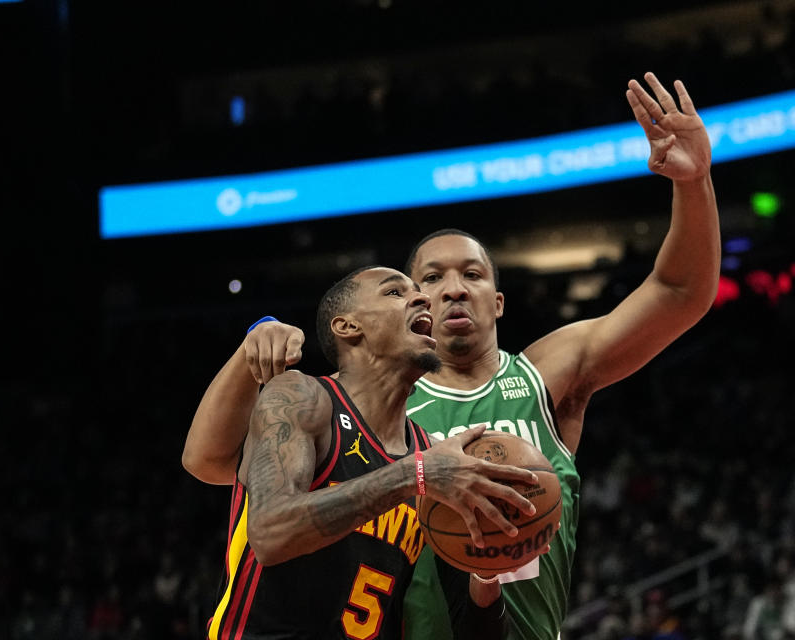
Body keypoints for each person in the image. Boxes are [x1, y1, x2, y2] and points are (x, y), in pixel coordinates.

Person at [184, 72, 721, 639]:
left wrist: (696, 183)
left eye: (472, 274)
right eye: (427, 279)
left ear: (499, 301)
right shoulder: (369, 406)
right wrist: (255, 344)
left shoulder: (542, 376)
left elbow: (680, 293)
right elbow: (222, 467)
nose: (449, 289)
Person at [204, 265, 541, 640]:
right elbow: (270, 534)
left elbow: (473, 631)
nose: (421, 297)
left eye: (417, 291)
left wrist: (487, 564)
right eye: (395, 292)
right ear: (348, 327)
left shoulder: (433, 455)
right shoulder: (303, 398)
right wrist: (414, 475)